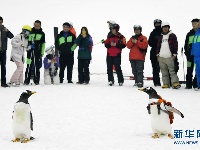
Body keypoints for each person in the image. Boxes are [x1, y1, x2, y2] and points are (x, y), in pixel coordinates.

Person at [156, 22, 181, 89]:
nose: (165, 28)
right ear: (162, 28)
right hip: (161, 57)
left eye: (166, 27)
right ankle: (166, 83)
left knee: (172, 71)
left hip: (170, 57)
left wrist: (174, 54)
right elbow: (158, 46)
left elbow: (175, 45)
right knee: (164, 72)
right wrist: (157, 55)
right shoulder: (161, 36)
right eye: (164, 27)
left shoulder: (172, 35)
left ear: (168, 28)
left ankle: (175, 83)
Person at [24, 20, 45, 85]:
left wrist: (42, 52)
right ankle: (27, 80)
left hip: (37, 52)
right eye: (35, 25)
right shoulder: (30, 31)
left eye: (38, 26)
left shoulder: (42, 33)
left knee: (37, 66)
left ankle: (36, 80)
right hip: (30, 51)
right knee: (28, 65)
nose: (36, 27)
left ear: (40, 26)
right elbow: (25, 39)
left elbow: (43, 44)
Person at [184, 18, 199, 89]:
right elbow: (186, 45)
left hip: (197, 56)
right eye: (193, 23)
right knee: (189, 70)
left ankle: (196, 84)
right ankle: (188, 85)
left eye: (195, 23)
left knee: (197, 71)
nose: (194, 25)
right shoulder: (189, 34)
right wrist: (187, 54)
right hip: (190, 56)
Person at [0, 16, 14, 87]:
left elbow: (12, 36)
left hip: (3, 51)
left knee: (3, 67)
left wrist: (7, 31)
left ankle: (3, 82)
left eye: (0, 22)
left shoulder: (4, 29)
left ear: (2, 22)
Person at [148, 19, 162, 87]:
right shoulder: (152, 33)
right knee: (155, 69)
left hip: (163, 52)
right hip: (154, 52)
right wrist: (156, 41)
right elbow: (150, 43)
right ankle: (156, 82)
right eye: (156, 24)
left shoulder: (163, 32)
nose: (157, 25)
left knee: (165, 68)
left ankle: (168, 82)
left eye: (159, 24)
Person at [191, 19, 200, 90]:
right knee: (197, 72)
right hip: (196, 56)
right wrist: (192, 53)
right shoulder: (196, 33)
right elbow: (194, 45)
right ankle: (199, 85)